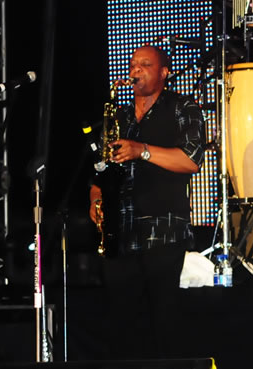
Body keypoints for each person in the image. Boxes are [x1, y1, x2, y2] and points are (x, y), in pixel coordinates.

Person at [88, 44, 205, 254]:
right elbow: (99, 176)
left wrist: (142, 150)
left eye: (145, 65)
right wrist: (96, 199)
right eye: (132, 65)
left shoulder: (182, 107)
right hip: (121, 237)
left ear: (163, 72)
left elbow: (191, 160)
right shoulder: (119, 117)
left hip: (165, 236)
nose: (135, 70)